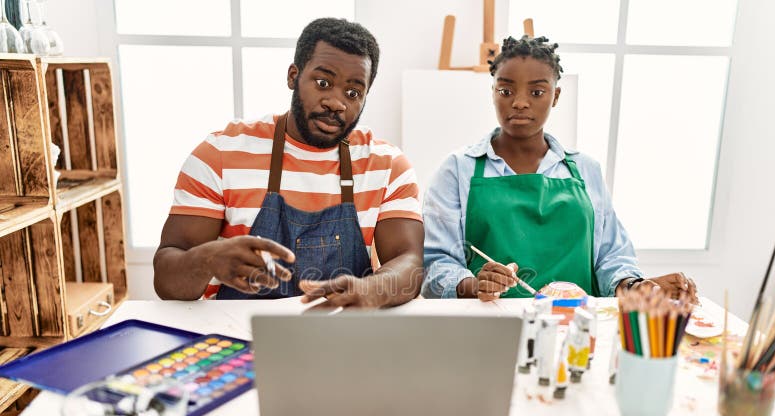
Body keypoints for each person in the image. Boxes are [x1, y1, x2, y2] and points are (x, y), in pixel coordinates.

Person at [154, 18, 424, 309]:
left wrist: (372, 289)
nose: (336, 102)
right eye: (323, 83)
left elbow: (409, 262)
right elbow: (167, 280)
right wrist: (207, 259)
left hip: (345, 332)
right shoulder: (220, 154)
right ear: (293, 76)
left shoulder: (386, 166)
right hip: (237, 335)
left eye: (353, 93)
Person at [422, 35, 697, 302]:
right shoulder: (457, 170)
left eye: (537, 92)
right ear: (492, 93)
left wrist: (636, 287)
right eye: (505, 91)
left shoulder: (586, 170)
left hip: (574, 330)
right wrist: (473, 284)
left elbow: (611, 256)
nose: (519, 102)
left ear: (555, 96)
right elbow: (435, 263)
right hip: (487, 328)